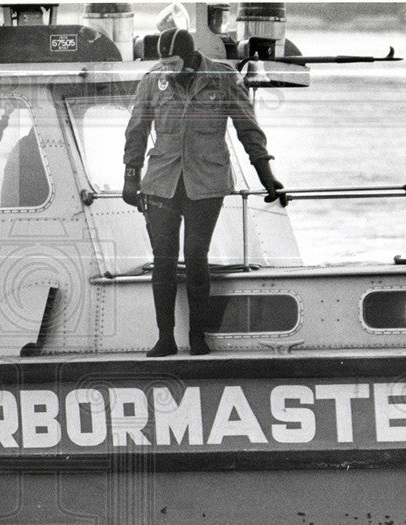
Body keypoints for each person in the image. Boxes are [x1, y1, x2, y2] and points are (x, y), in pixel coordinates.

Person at [123, 27, 289, 357]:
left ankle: (198, 336)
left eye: (172, 62)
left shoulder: (222, 77)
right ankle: (165, 338)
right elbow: (137, 131)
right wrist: (131, 176)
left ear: (188, 57)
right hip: (161, 182)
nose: (167, 69)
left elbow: (248, 127)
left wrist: (266, 174)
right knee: (164, 260)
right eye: (163, 62)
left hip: (206, 183)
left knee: (197, 256)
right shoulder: (152, 80)